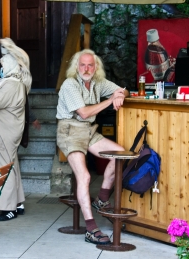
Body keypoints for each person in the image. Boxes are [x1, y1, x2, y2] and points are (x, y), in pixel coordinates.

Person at [56, 49, 129, 245]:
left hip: (88, 131)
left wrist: (120, 94)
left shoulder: (98, 82)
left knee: (120, 155)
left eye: (90, 65)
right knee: (85, 176)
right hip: (69, 131)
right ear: (76, 67)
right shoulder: (69, 84)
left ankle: (102, 199)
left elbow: (123, 89)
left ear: (95, 67)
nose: (86, 69)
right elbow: (84, 113)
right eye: (82, 65)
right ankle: (90, 228)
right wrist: (110, 100)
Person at [0, 38, 32, 221]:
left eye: (3, 62)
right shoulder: (14, 82)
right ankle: (17, 203)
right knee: (10, 167)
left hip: (3, 134)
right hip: (3, 133)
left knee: (4, 169)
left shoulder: (11, 84)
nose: (0, 66)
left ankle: (8, 207)